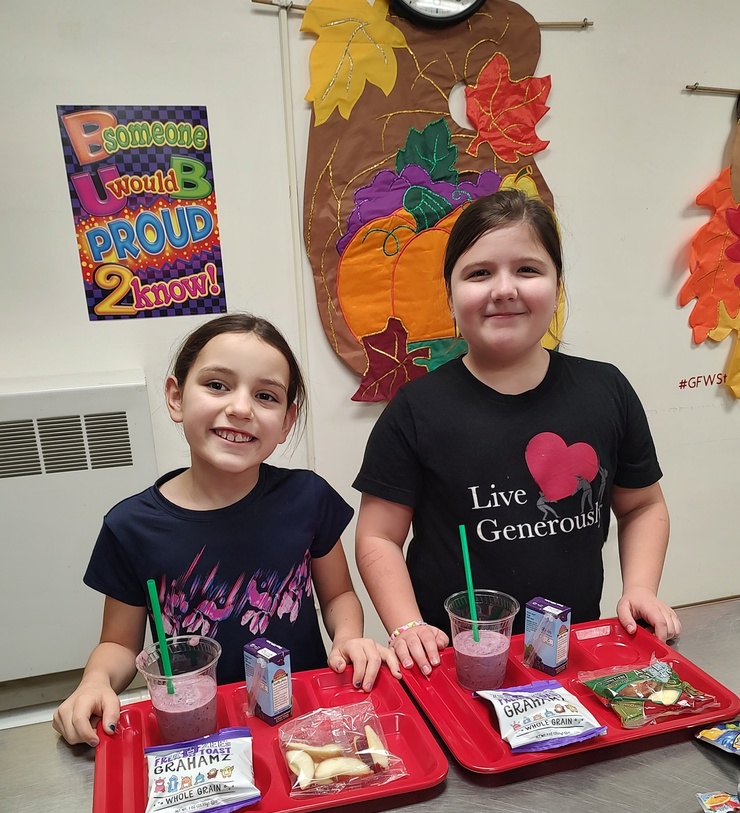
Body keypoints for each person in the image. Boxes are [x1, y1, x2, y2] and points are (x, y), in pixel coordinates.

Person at [353, 189, 681, 678]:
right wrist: (406, 627)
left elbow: (643, 505)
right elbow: (378, 536)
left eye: (527, 270)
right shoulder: (414, 411)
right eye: (479, 273)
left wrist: (640, 587)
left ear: (557, 285)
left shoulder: (606, 389)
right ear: (449, 294)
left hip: (572, 654)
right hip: (452, 660)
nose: (503, 288)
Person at [54, 313, 399, 747]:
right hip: (199, 728)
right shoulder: (131, 526)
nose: (240, 408)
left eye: (266, 395)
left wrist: (349, 637)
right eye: (217, 385)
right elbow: (120, 646)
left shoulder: (309, 497)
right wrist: (95, 681)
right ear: (176, 398)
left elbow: (338, 595)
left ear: (287, 421)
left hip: (303, 715)